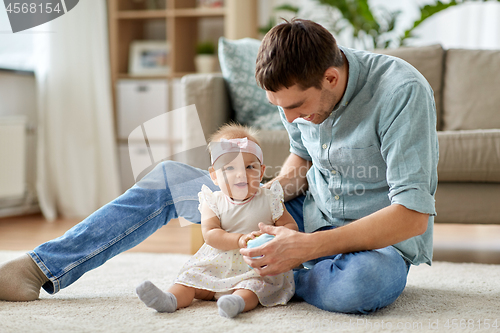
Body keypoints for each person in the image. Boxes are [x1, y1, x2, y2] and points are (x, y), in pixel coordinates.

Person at [0, 18, 438, 314]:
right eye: (279, 109)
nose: (289, 119)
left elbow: (413, 216)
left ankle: (268, 278)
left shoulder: (400, 92)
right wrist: (261, 196)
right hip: (308, 213)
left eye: (296, 107)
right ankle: (38, 268)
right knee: (170, 179)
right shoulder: (301, 104)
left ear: (331, 77)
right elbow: (301, 160)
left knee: (364, 284)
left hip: (372, 239)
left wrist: (303, 248)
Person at [136, 124, 298, 318]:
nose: (240, 174)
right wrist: (238, 240)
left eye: (249, 167)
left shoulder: (270, 199)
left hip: (254, 265)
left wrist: (274, 237)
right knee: (190, 279)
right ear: (214, 175)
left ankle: (236, 302)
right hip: (217, 263)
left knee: (254, 287)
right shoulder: (213, 201)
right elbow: (211, 234)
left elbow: (289, 226)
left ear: (262, 172)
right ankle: (170, 299)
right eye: (229, 167)